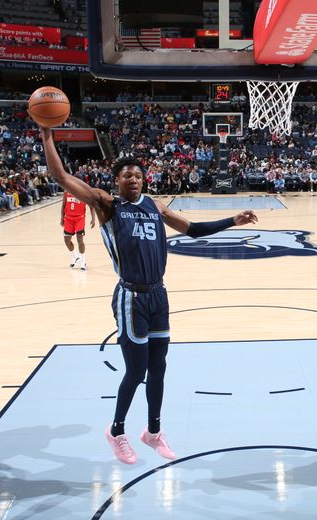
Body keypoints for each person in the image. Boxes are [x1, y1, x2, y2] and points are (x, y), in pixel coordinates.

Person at [41, 126, 258, 464]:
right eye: (128, 176)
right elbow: (61, 176)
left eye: (139, 176)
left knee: (159, 368)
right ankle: (116, 431)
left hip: (159, 295)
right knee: (136, 371)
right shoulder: (107, 205)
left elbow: (194, 230)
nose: (134, 180)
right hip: (131, 298)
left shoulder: (155, 207)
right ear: (117, 181)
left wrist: (233, 220)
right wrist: (46, 137)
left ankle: (153, 432)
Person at [61, 191, 96, 271]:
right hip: (68, 219)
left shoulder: (83, 192)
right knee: (67, 241)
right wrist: (62, 218)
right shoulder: (66, 192)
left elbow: (91, 207)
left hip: (79, 218)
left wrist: (93, 219)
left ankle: (83, 261)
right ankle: (75, 256)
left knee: (79, 239)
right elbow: (63, 205)